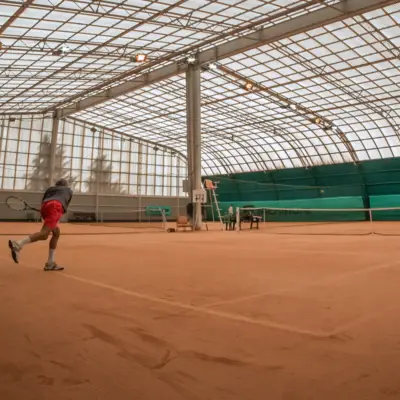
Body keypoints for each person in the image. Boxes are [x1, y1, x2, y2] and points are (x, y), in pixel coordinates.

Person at [8, 178, 73, 271]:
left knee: (56, 232)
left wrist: (49, 210)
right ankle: (18, 244)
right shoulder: (68, 190)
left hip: (44, 207)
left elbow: (45, 202)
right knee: (44, 234)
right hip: (55, 207)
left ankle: (51, 262)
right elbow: (65, 204)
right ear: (65, 185)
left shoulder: (50, 189)